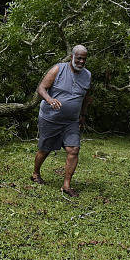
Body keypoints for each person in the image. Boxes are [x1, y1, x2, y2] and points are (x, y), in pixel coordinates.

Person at [31, 45, 91, 197]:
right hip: (50, 118)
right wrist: (50, 99)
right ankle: (35, 173)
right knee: (45, 149)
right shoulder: (58, 69)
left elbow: (85, 97)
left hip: (71, 121)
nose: (82, 61)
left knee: (74, 150)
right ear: (72, 56)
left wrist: (82, 115)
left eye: (84, 58)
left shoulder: (87, 75)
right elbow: (41, 88)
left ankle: (66, 185)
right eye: (79, 58)